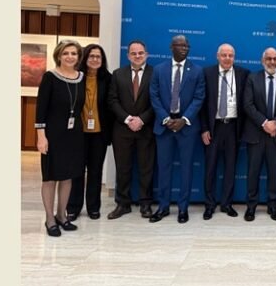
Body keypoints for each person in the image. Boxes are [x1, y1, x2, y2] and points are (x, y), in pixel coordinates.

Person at [148, 35, 206, 224]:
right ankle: (163, 207)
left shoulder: (197, 71)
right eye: (180, 45)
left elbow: (199, 97)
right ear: (171, 47)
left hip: (186, 127)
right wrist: (165, 119)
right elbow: (154, 96)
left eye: (187, 46)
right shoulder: (159, 70)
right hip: (164, 126)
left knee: (186, 168)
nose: (184, 48)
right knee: (163, 168)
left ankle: (183, 208)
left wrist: (184, 119)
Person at [35, 40, 85, 237]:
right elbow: (40, 110)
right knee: (50, 177)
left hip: (74, 135)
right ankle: (49, 219)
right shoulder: (50, 77)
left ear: (78, 57)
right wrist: (41, 137)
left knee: (67, 176)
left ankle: (61, 215)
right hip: (52, 135)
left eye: (73, 53)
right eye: (66, 53)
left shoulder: (81, 78)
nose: (70, 57)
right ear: (59, 55)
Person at [242, 47, 276, 222]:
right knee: (253, 172)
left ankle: (273, 205)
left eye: (275, 59)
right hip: (255, 134)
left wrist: (275, 123)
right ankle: (251, 206)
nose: (272, 62)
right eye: (269, 58)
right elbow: (248, 105)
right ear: (262, 60)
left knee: (274, 172)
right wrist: (265, 123)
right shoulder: (252, 78)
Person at [199, 43, 250, 220]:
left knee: (230, 168)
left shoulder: (243, 74)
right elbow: (202, 104)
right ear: (217, 56)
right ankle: (209, 204)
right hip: (214, 127)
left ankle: (226, 203)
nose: (227, 58)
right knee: (210, 168)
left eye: (230, 55)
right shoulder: (207, 73)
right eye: (224, 55)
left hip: (233, 128)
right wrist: (204, 128)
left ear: (234, 57)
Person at [106, 40, 156, 220]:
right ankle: (123, 204)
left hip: (146, 129)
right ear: (128, 56)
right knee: (123, 168)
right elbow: (112, 100)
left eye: (141, 53)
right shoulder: (118, 74)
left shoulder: (155, 74)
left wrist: (141, 119)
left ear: (146, 54)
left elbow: (158, 101)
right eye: (133, 53)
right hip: (122, 129)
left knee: (146, 168)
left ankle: (145, 203)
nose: (137, 56)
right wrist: (128, 119)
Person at [66, 44, 114, 221]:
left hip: (99, 134)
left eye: (98, 57)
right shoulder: (75, 77)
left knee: (95, 171)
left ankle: (93, 207)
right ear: (85, 58)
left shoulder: (108, 79)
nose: (95, 59)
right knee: (77, 171)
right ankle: (73, 207)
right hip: (78, 133)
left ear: (102, 60)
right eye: (91, 56)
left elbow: (111, 106)